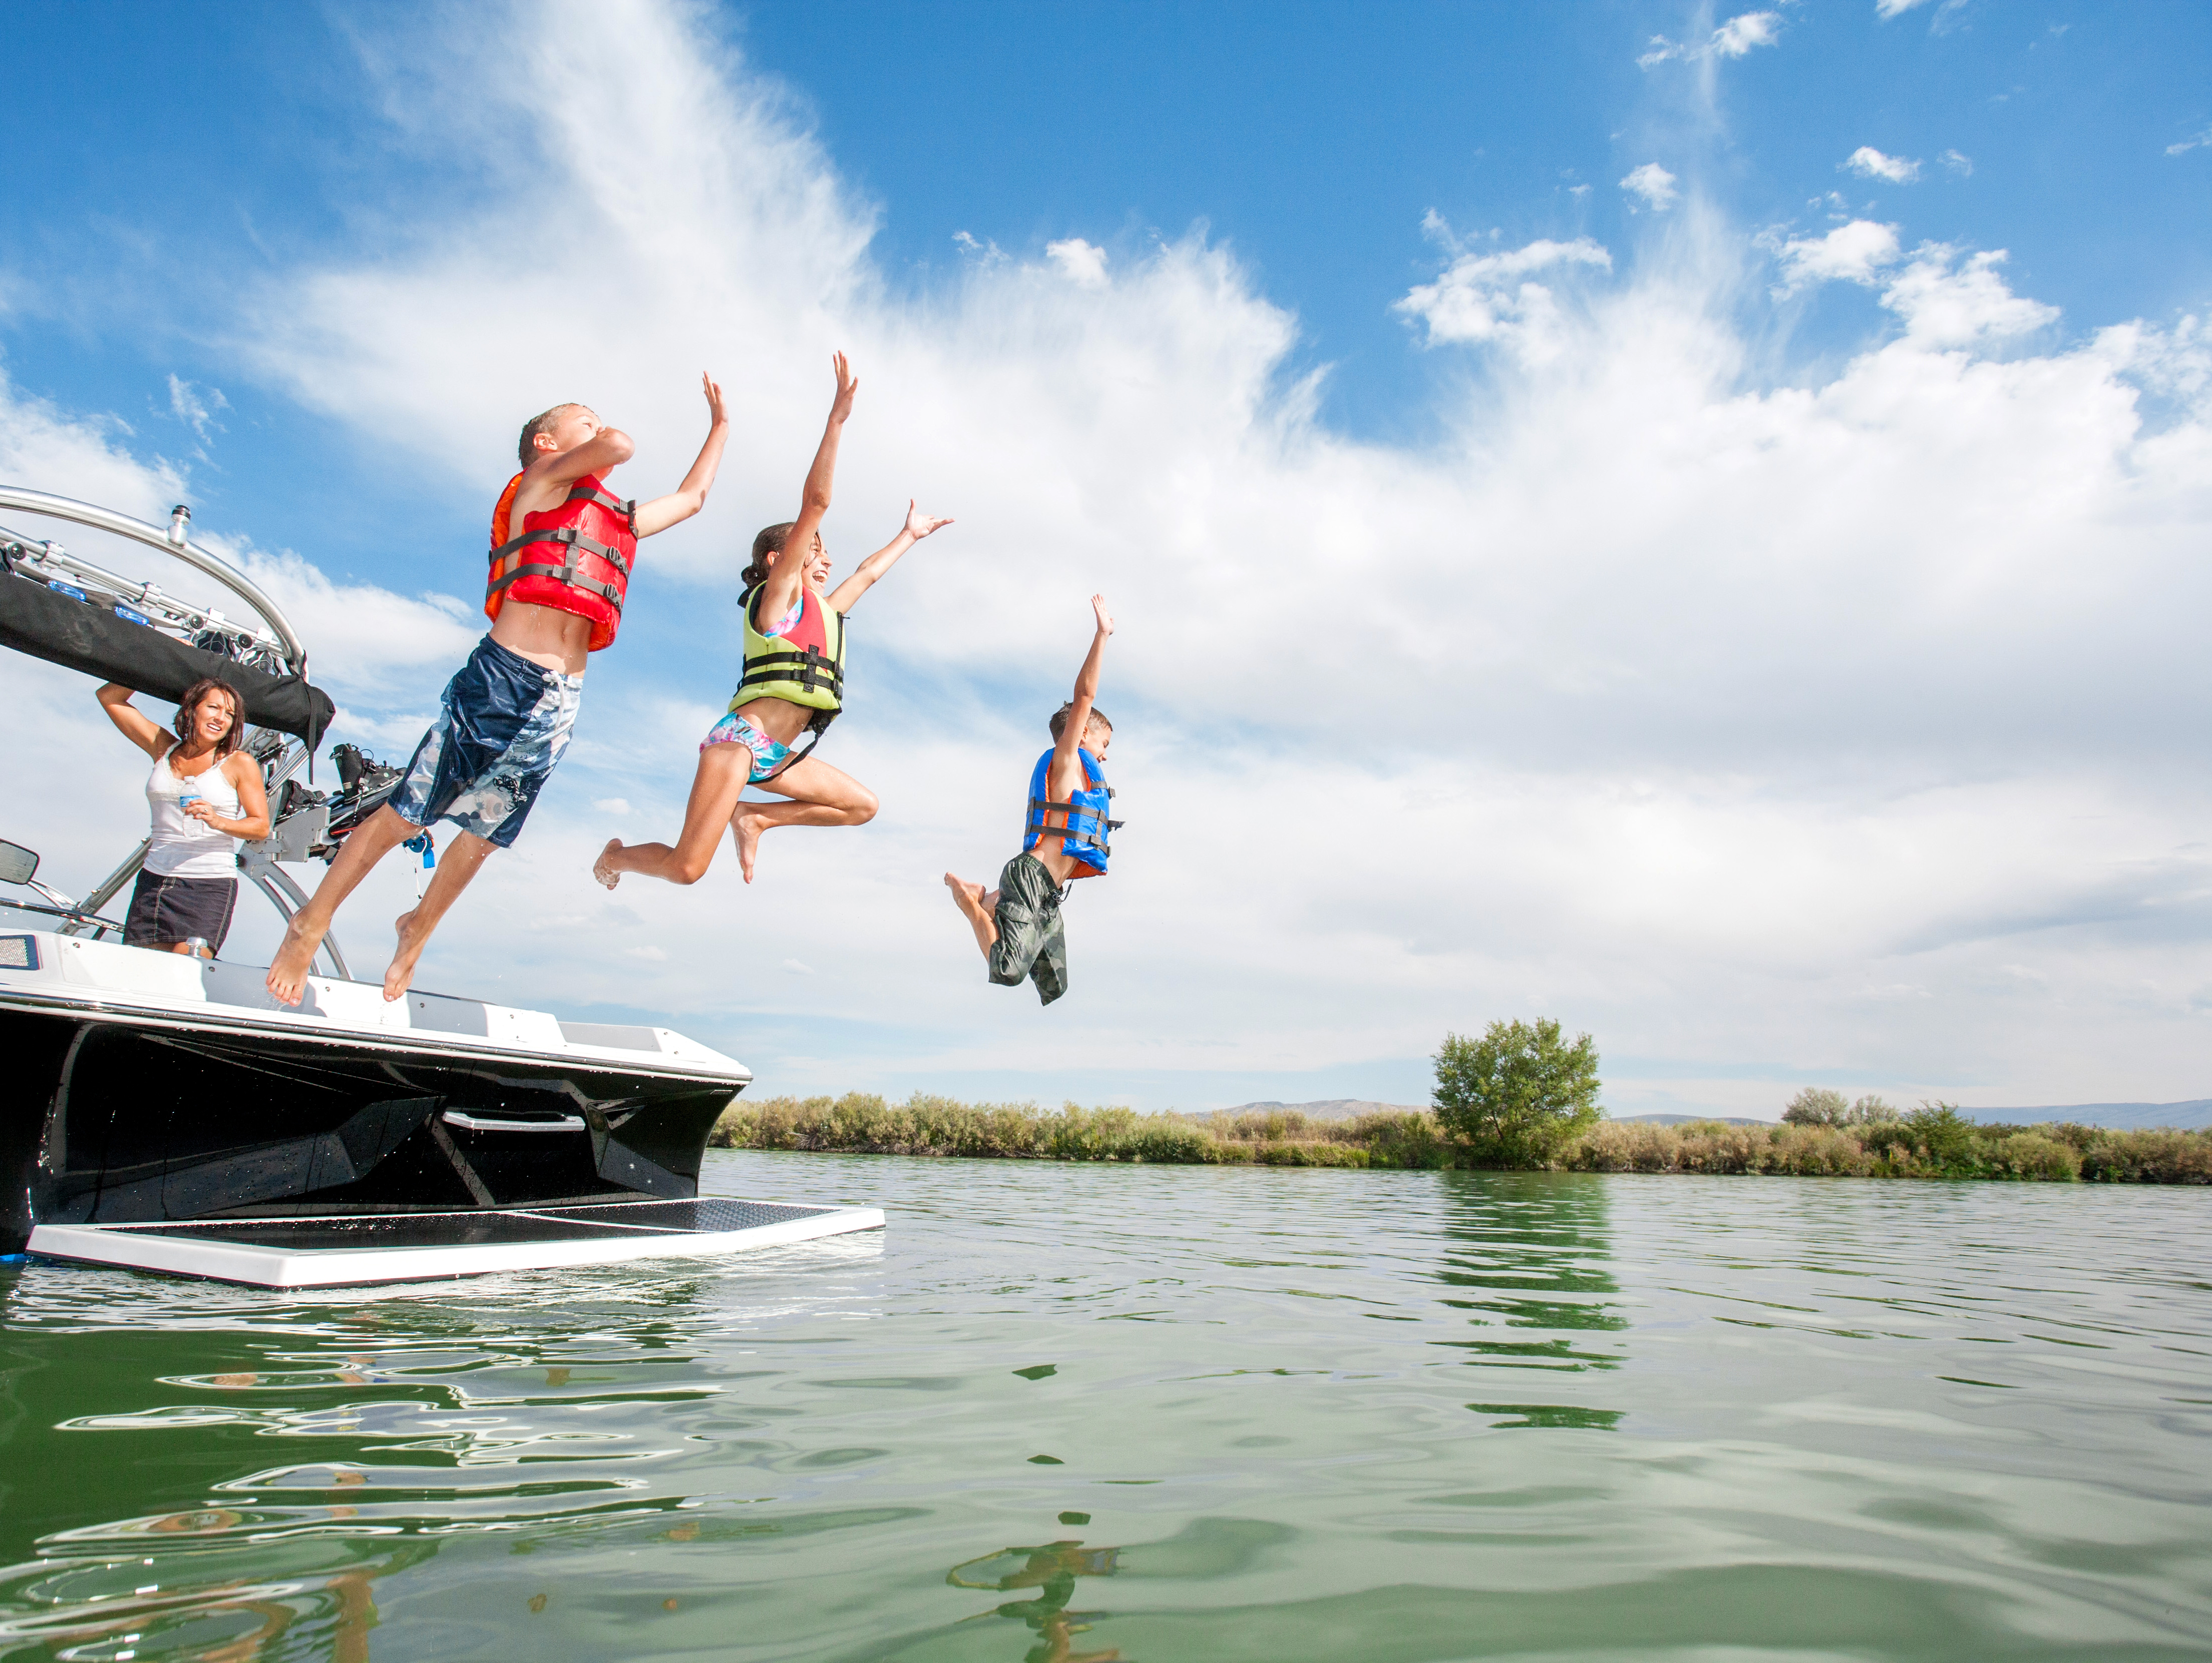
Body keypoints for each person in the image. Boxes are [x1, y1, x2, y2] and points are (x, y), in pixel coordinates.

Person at [265, 374, 731, 1005]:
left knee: (486, 834)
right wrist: (602, 438)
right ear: (547, 442)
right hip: (503, 679)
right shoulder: (538, 488)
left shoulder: (615, 518)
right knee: (409, 812)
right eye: (583, 422)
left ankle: (417, 926)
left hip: (561, 699)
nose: (599, 430)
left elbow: (694, 498)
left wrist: (720, 427)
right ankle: (309, 921)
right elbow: (618, 446)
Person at [593, 352, 952, 890]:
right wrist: (835, 422)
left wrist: (910, 535)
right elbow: (817, 501)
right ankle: (615, 858)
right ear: (777, 560)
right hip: (740, 743)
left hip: (778, 756)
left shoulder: (824, 611)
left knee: (861, 805)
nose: (825, 560)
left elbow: (868, 573)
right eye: (815, 551)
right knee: (686, 868)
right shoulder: (778, 599)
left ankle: (755, 816)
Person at [944, 596, 1117, 1006]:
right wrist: (1102, 636)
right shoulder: (1067, 760)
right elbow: (1086, 694)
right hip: (1031, 877)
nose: (1106, 755)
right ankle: (972, 904)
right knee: (1008, 971)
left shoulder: (1083, 777)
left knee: (1055, 985)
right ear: (1081, 735)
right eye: (1104, 743)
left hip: (1046, 892)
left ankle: (993, 901)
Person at [97, 676, 271, 957]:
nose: (221, 719)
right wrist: (158, 656)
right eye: (214, 707)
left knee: (185, 974)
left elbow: (260, 827)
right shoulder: (163, 747)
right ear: (191, 709)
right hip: (154, 880)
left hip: (207, 886)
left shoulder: (239, 763)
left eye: (230, 714)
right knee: (141, 971)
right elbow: (110, 698)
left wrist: (217, 820)